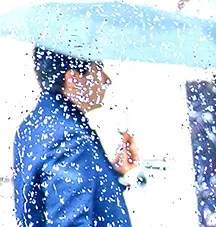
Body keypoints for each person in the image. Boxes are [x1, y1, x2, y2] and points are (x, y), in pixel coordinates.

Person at [13, 48, 140, 227]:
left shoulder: (34, 125)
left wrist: (113, 174)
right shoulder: (70, 136)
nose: (106, 80)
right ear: (73, 79)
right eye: (98, 68)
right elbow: (70, 221)